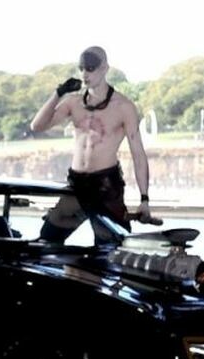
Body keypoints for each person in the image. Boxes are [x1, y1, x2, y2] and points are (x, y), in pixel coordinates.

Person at [30, 44, 155, 244]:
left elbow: (138, 154)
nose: (84, 74)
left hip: (105, 185)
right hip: (77, 184)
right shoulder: (73, 102)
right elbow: (37, 126)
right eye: (81, 68)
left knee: (111, 247)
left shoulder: (123, 106)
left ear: (104, 68)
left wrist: (144, 199)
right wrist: (58, 93)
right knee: (47, 241)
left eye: (90, 68)